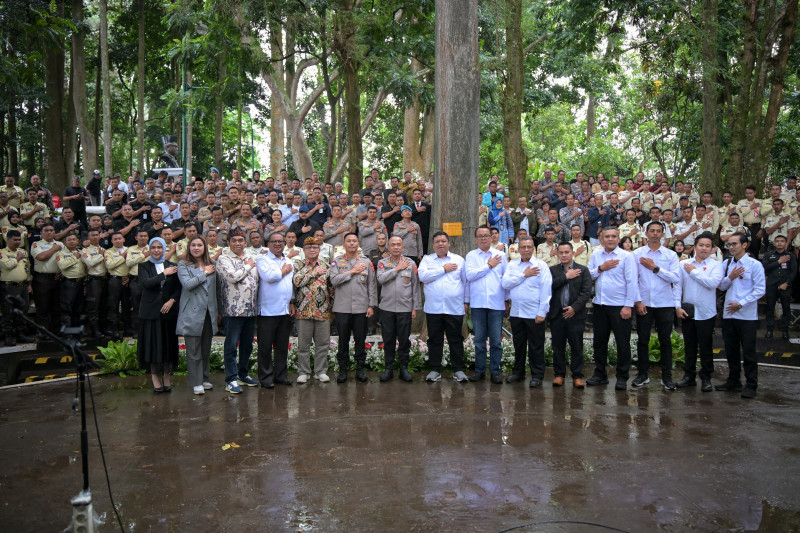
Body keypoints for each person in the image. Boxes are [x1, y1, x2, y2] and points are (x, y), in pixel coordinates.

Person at [631, 222, 681, 390]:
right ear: (646, 233)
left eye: (658, 231)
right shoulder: (637, 254)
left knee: (665, 340)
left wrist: (655, 268)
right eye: (651, 231)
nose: (654, 234)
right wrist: (637, 301)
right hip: (644, 304)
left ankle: (666, 377)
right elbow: (633, 280)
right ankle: (642, 375)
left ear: (663, 234)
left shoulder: (671, 255)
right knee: (643, 340)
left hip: (665, 303)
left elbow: (675, 278)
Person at [586, 227, 637, 390]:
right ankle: (600, 374)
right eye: (607, 236)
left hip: (620, 307)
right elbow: (588, 276)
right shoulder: (596, 255)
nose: (610, 239)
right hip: (600, 305)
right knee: (599, 342)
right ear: (601, 239)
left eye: (614, 236)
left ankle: (622, 376)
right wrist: (602, 268)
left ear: (618, 238)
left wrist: (628, 305)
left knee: (623, 343)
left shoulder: (626, 256)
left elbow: (632, 282)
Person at [672, 232, 723, 392]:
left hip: (706, 312)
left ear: (712, 249)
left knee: (706, 346)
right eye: (701, 245)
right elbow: (677, 287)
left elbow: (712, 283)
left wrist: (693, 271)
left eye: (708, 246)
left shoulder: (716, 265)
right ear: (694, 247)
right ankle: (689, 376)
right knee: (689, 346)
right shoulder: (683, 264)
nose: (704, 249)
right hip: (687, 311)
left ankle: (706, 377)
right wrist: (677, 307)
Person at [717, 232, 766, 398]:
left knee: (749, 352)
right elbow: (722, 287)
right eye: (729, 244)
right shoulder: (727, 263)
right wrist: (730, 278)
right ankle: (733, 381)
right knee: (731, 350)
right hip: (729, 315)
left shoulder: (754, 265)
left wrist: (741, 304)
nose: (731, 247)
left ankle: (751, 384)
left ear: (745, 245)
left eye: (734, 244)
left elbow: (760, 290)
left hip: (746, 316)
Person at [501, 236, 552, 387]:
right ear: (518, 250)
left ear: (534, 249)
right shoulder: (513, 265)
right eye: (523, 247)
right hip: (517, 313)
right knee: (519, 345)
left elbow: (546, 290)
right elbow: (505, 283)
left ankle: (537, 375)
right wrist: (524, 274)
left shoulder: (541, 265)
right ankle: (518, 373)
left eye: (529, 247)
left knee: (536, 346)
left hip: (534, 313)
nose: (526, 250)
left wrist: (542, 312)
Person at [418, 232, 469, 382]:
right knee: (434, 339)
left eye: (443, 241)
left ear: (449, 243)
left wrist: (466, 302)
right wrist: (443, 269)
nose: (441, 244)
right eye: (437, 241)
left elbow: (465, 283)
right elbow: (423, 277)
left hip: (454, 308)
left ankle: (458, 370)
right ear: (433, 245)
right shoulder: (427, 260)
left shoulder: (458, 260)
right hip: (434, 308)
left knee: (456, 339)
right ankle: (434, 370)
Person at [329, 232, 378, 383]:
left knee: (360, 339)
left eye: (354, 241)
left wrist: (371, 305)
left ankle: (360, 369)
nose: (351, 243)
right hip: (342, 308)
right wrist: (352, 271)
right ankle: (343, 370)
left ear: (358, 244)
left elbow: (372, 285)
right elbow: (334, 280)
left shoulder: (366, 262)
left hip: (361, 308)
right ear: (344, 244)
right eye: (348, 241)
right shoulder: (336, 262)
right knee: (343, 340)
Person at [216, 227, 260, 394]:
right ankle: (231, 379)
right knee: (232, 346)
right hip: (233, 310)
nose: (237, 243)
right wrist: (248, 267)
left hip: (250, 310)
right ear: (228, 243)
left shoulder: (252, 257)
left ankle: (243, 374)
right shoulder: (224, 259)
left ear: (245, 242)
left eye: (240, 240)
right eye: (233, 241)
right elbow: (232, 277)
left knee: (247, 345)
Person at [137, 237, 181, 392]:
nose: (156, 250)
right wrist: (163, 274)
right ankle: (155, 375)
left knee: (167, 345)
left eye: (159, 247)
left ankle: (167, 375)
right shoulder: (144, 266)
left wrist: (172, 300)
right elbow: (146, 284)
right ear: (150, 249)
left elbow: (178, 288)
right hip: (150, 312)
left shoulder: (173, 266)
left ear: (164, 249)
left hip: (168, 312)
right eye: (153, 247)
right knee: (152, 345)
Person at [466, 226, 508, 383]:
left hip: (497, 304)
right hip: (477, 304)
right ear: (476, 239)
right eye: (480, 236)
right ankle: (480, 371)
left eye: (486, 235)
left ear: (492, 237)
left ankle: (495, 371)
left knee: (496, 340)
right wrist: (488, 266)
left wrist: (507, 300)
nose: (483, 238)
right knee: (479, 340)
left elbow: (506, 278)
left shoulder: (501, 255)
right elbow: (470, 276)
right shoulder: (471, 256)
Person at [376, 236, 422, 382]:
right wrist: (396, 269)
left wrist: (415, 307)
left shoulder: (411, 263)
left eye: (398, 245)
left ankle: (404, 368)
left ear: (403, 247)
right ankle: (388, 368)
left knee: (404, 340)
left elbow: (415, 287)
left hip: (405, 307)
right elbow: (380, 279)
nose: (396, 247)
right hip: (387, 308)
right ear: (389, 247)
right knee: (388, 339)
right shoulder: (382, 263)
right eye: (393, 245)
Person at [177, 236, 218, 395]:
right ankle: (196, 382)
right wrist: (204, 273)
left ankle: (205, 378)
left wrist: (218, 311)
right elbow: (188, 284)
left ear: (204, 247)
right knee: (193, 349)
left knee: (205, 348)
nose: (196, 248)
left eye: (199, 245)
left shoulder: (212, 264)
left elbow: (215, 290)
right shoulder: (183, 264)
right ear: (189, 248)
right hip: (192, 312)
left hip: (209, 312)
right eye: (193, 245)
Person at [548, 241, 593, 388]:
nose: (564, 255)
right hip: (557, 314)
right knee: (558, 347)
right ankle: (559, 374)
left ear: (573, 253)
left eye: (567, 252)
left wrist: (574, 308)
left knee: (577, 346)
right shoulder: (552, 270)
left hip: (575, 315)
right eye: (560, 252)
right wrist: (566, 276)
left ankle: (577, 376)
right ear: (557, 254)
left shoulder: (583, 270)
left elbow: (586, 292)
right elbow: (549, 287)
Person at [256, 232, 296, 388]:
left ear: (284, 244)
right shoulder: (263, 260)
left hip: (284, 310)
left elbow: (290, 284)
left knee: (282, 346)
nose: (278, 244)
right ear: (268, 244)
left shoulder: (288, 260)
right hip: (268, 311)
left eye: (280, 241)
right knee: (265, 347)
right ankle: (266, 378)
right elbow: (269, 277)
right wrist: (284, 270)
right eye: (274, 241)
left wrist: (292, 301)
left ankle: (281, 376)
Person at [293, 237, 334, 383]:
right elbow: (297, 281)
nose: (312, 250)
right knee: (303, 344)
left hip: (323, 310)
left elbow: (331, 287)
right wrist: (314, 273)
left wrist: (333, 307)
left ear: (319, 250)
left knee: (323, 344)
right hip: (303, 311)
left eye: (315, 247)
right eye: (309, 247)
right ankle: (304, 372)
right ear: (303, 250)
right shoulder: (298, 264)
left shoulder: (326, 265)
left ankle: (320, 371)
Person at [0, 230, 34, 345]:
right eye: (15, 240)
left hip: (23, 286)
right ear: (7, 240)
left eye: (19, 239)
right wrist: (18, 258)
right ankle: (8, 336)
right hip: (8, 287)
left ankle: (21, 334)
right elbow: (8, 265)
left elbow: (27, 268)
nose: (18, 242)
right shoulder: (2, 252)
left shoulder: (23, 251)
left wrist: (29, 283)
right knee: (8, 312)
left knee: (23, 311)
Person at [761, 234, 797, 339]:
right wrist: (779, 262)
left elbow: (793, 272)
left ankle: (785, 331)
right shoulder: (769, 255)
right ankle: (769, 330)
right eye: (777, 241)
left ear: (786, 243)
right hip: (772, 285)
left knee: (786, 308)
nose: (780, 243)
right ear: (774, 243)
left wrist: (787, 283)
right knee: (770, 308)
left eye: (782, 241)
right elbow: (765, 268)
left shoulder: (791, 256)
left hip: (786, 286)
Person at [30, 223, 62, 334]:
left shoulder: (60, 244)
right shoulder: (36, 244)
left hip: (57, 278)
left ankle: (56, 331)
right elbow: (41, 257)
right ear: (41, 233)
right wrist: (54, 249)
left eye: (51, 230)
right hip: (42, 279)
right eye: (46, 230)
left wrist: (61, 271)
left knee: (57, 307)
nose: (49, 232)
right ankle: (43, 332)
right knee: (43, 307)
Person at [56, 234, 86, 334]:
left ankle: (76, 332)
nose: (72, 241)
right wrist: (74, 257)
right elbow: (62, 266)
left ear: (77, 241)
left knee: (78, 308)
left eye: (74, 239)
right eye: (69, 240)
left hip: (80, 283)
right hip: (68, 283)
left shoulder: (81, 252)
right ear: (65, 242)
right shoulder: (61, 253)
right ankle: (67, 333)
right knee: (66, 309)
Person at [81, 229, 108, 339]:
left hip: (104, 279)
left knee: (103, 305)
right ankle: (94, 330)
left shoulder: (104, 249)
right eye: (92, 235)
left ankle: (103, 328)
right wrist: (100, 256)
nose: (95, 237)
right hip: (93, 280)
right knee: (93, 306)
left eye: (97, 235)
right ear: (89, 237)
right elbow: (90, 263)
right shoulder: (85, 250)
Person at [104, 233, 131, 340]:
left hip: (127, 280)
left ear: (123, 239)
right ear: (112, 241)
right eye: (115, 239)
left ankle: (127, 329)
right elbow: (110, 265)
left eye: (119, 238)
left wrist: (129, 276)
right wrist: (122, 257)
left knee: (127, 305)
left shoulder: (129, 250)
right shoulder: (108, 251)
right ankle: (115, 330)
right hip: (114, 280)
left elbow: (132, 265)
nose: (118, 240)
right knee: (113, 305)